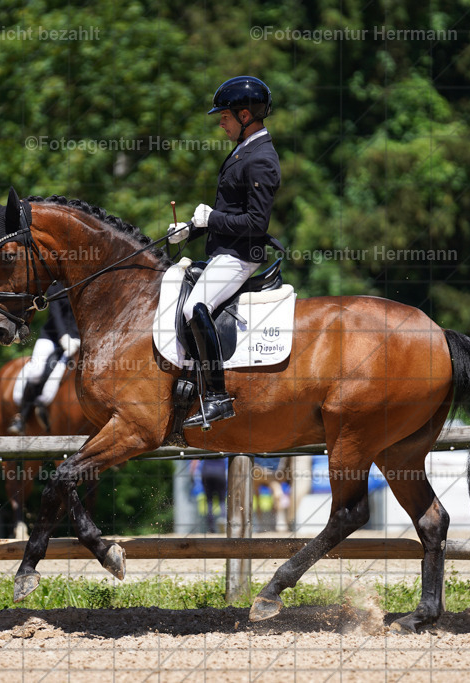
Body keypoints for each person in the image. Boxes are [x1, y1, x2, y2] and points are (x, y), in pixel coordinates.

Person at [167, 75, 282, 429]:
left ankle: (217, 397)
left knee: (194, 307)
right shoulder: (243, 150)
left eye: (225, 116)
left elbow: (255, 224)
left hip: (240, 256)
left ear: (245, 115)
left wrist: (212, 218)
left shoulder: (261, 157)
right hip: (223, 251)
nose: (221, 121)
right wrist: (193, 228)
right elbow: (232, 212)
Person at [8, 283, 81, 435]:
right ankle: (22, 416)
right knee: (37, 371)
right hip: (53, 338)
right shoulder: (57, 285)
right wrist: (63, 336)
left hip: (79, 340)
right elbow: (55, 313)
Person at [190, 457, 227, 533]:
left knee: (209, 501)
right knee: (222, 501)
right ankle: (223, 520)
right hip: (220, 472)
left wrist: (192, 474)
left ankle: (211, 528)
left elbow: (195, 460)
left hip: (207, 472)